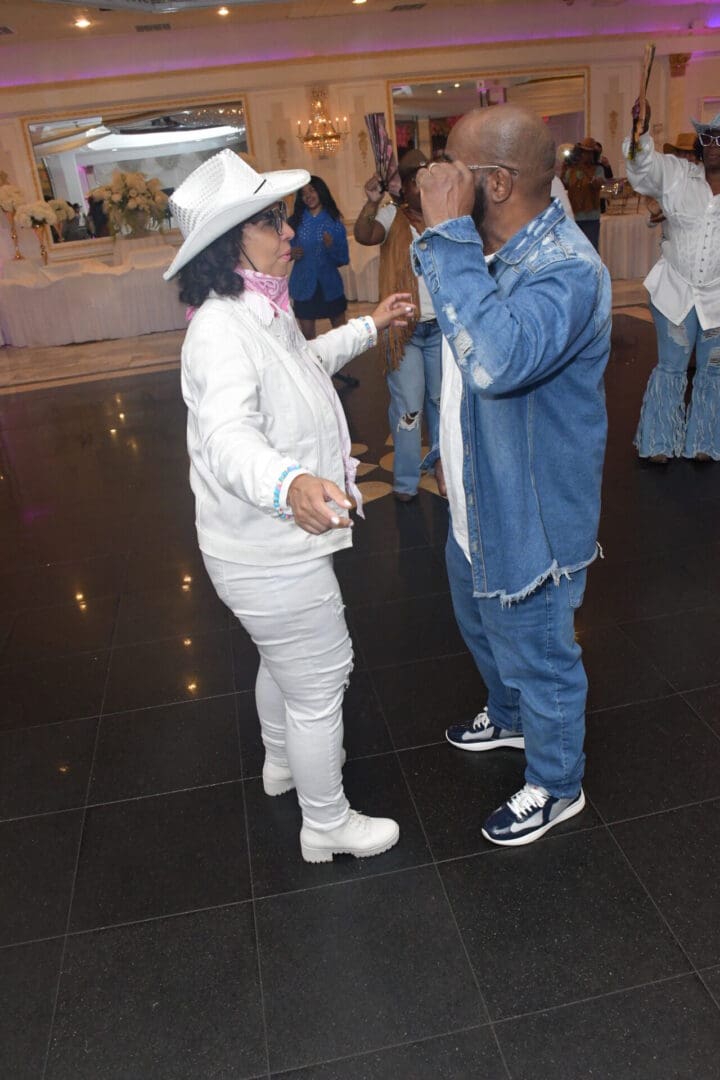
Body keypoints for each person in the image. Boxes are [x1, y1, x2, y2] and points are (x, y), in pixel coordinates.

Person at [163, 149, 413, 862]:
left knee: (283, 662)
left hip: (261, 547)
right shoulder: (220, 329)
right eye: (270, 220)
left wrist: (369, 325)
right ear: (228, 241)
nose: (289, 230)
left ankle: (280, 761)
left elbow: (302, 367)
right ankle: (325, 822)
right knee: (320, 679)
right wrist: (289, 485)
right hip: (267, 547)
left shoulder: (255, 308)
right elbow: (226, 437)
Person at [411, 105, 611, 846]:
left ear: (494, 183)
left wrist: (445, 233)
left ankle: (557, 783)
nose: (435, 177)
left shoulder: (565, 271)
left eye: (452, 167)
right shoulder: (491, 248)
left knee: (541, 650)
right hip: (477, 500)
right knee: (482, 624)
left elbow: (495, 362)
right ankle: (512, 718)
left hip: (531, 514)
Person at [625, 109, 720, 463]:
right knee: (672, 365)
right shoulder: (679, 175)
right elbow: (642, 168)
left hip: (717, 298)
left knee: (713, 369)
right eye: (708, 137)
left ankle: (705, 440)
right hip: (674, 291)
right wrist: (641, 133)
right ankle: (660, 441)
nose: (713, 145)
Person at [354, 148, 442, 502]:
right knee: (410, 407)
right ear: (405, 187)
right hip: (405, 330)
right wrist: (372, 203)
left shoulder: (445, 217)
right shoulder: (392, 216)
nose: (423, 188)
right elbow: (365, 234)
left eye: (428, 181)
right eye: (416, 182)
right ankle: (406, 481)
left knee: (441, 403)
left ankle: (442, 469)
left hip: (442, 330)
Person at [288, 175, 349, 341]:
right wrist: (290, 253)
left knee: (341, 335)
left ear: (321, 192)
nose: (308, 196)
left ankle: (341, 365)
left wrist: (331, 247)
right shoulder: (295, 222)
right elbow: (282, 252)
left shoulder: (334, 221)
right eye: (303, 193)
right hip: (303, 285)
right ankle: (315, 366)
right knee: (308, 339)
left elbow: (343, 259)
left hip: (330, 285)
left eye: (312, 190)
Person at [561, 135, 605, 250]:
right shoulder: (571, 170)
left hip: (591, 218)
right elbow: (563, 185)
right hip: (574, 218)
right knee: (576, 251)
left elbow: (598, 184)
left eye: (589, 153)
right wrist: (564, 168)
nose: (586, 155)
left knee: (592, 250)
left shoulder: (598, 169)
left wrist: (586, 170)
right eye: (583, 152)